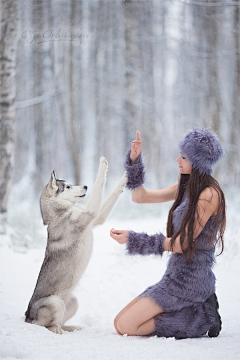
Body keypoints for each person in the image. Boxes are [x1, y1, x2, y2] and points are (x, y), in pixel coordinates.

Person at [110, 129, 226, 339]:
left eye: (183, 157)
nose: (177, 160)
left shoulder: (209, 194)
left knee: (127, 325)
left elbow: (181, 244)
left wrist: (134, 240)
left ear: (198, 161)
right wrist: (134, 161)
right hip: (174, 275)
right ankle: (194, 310)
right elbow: (140, 197)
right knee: (119, 323)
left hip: (192, 280)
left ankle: (201, 318)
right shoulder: (186, 186)